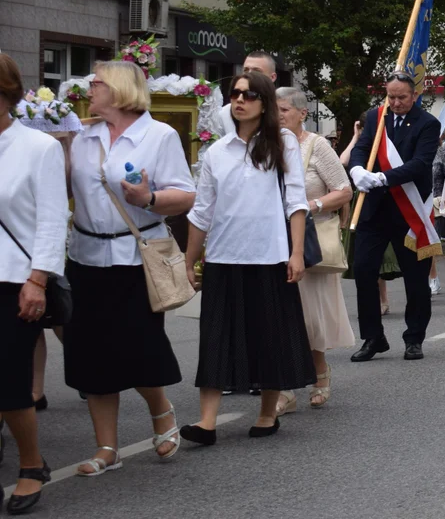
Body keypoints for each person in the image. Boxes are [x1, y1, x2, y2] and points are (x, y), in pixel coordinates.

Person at [65, 60, 195, 474]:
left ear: (120, 90)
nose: (90, 87)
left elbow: (186, 195)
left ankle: (161, 410)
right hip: (85, 257)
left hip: (134, 258)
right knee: (90, 355)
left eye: (97, 82)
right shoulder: (84, 136)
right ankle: (107, 449)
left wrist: (149, 200)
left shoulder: (158, 135)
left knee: (137, 348)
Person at [180, 72, 314, 444]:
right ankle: (207, 423)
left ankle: (267, 414)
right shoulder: (217, 152)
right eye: (235, 94)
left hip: (270, 257)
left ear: (264, 101)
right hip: (224, 257)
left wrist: (297, 253)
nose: (239, 100)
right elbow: (201, 212)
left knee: (268, 337)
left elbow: (296, 202)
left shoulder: (283, 142)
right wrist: (189, 262)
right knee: (216, 338)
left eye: (249, 94)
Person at [0, 55, 67, 513]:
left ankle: (30, 462)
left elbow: (52, 220)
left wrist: (38, 280)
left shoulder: (37, 147)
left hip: (15, 280)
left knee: (8, 383)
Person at [348, 71, 441, 361]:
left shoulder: (428, 123)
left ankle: (414, 337)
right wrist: (357, 170)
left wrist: (382, 178)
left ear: (415, 96)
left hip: (409, 211)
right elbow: (362, 149)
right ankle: (373, 337)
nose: (396, 103)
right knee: (363, 271)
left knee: (415, 279)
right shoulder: (376, 118)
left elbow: (420, 164)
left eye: (402, 97)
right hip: (374, 210)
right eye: (391, 97)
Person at [274, 87, 355, 415]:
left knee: (310, 319)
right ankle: (283, 389)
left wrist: (309, 205)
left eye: (283, 109)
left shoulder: (316, 145)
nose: (277, 115)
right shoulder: (266, 145)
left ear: (302, 113)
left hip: (309, 243)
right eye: (273, 109)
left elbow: (344, 190)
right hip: (273, 241)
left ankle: (320, 373)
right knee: (278, 317)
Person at [339, 118, 392, 313]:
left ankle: (383, 299)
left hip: (381, 203)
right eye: (360, 127)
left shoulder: (381, 145)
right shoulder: (359, 148)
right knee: (364, 259)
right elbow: (343, 161)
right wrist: (355, 137)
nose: (362, 130)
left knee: (381, 258)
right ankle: (374, 302)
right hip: (360, 204)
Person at [215, 50, 278, 136]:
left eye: (256, 71)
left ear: (272, 77)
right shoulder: (225, 114)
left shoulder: (285, 110)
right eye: (246, 70)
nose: (250, 75)